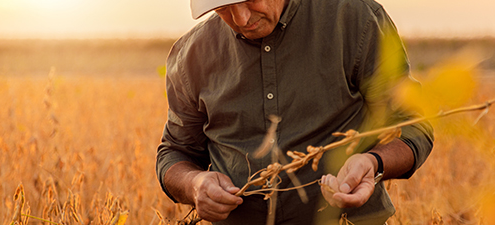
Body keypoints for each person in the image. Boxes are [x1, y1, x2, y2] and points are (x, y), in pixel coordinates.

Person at [156, 0, 434, 224]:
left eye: (251, 0)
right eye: (224, 8)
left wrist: (374, 163)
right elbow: (175, 152)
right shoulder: (191, 53)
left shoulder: (356, 20)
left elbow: (413, 125)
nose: (241, 19)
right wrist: (194, 184)